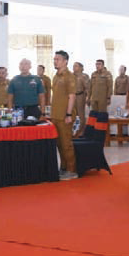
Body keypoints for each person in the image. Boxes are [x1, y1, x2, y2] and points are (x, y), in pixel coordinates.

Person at [52, 51, 77, 180]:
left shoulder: (69, 76)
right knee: (59, 144)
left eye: (58, 59)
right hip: (55, 115)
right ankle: (63, 167)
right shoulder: (56, 76)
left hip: (64, 116)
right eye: (54, 59)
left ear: (65, 61)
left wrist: (68, 114)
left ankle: (72, 170)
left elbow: (72, 96)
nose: (55, 61)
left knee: (66, 143)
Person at [73, 62, 90, 137]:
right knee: (73, 114)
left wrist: (88, 97)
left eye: (76, 66)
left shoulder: (84, 76)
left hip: (80, 96)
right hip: (72, 97)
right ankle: (74, 131)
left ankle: (81, 131)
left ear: (81, 68)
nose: (74, 67)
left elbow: (87, 88)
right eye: (73, 66)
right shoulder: (71, 76)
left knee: (80, 114)